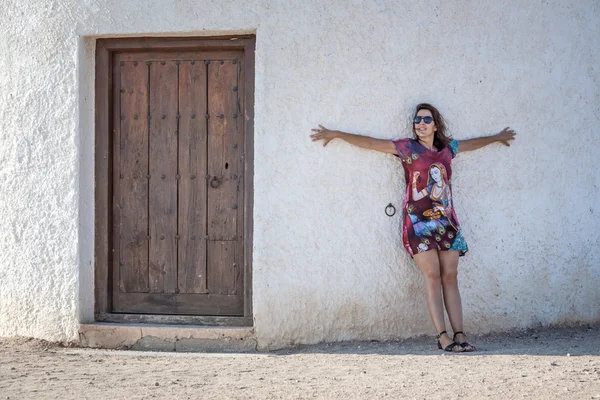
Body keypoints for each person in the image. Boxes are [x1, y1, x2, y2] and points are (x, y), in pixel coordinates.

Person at [310, 103, 516, 352]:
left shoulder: (448, 150)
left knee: (450, 277)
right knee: (433, 276)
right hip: (418, 224)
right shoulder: (406, 148)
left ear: (436, 125)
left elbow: (473, 143)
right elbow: (371, 143)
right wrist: (337, 134)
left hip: (447, 222)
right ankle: (443, 337)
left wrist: (497, 138)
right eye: (417, 119)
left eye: (426, 119)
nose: (420, 123)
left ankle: (460, 334)